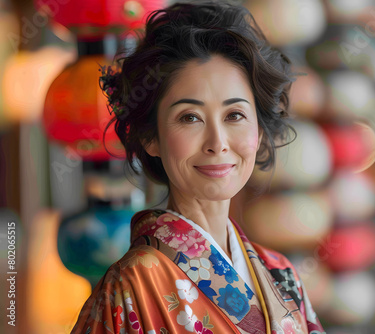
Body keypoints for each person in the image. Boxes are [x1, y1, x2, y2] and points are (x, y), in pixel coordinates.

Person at [71, 1, 325, 333]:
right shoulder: (131, 285)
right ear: (150, 137)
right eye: (189, 117)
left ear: (259, 131)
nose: (217, 142)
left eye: (234, 115)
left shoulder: (282, 275)